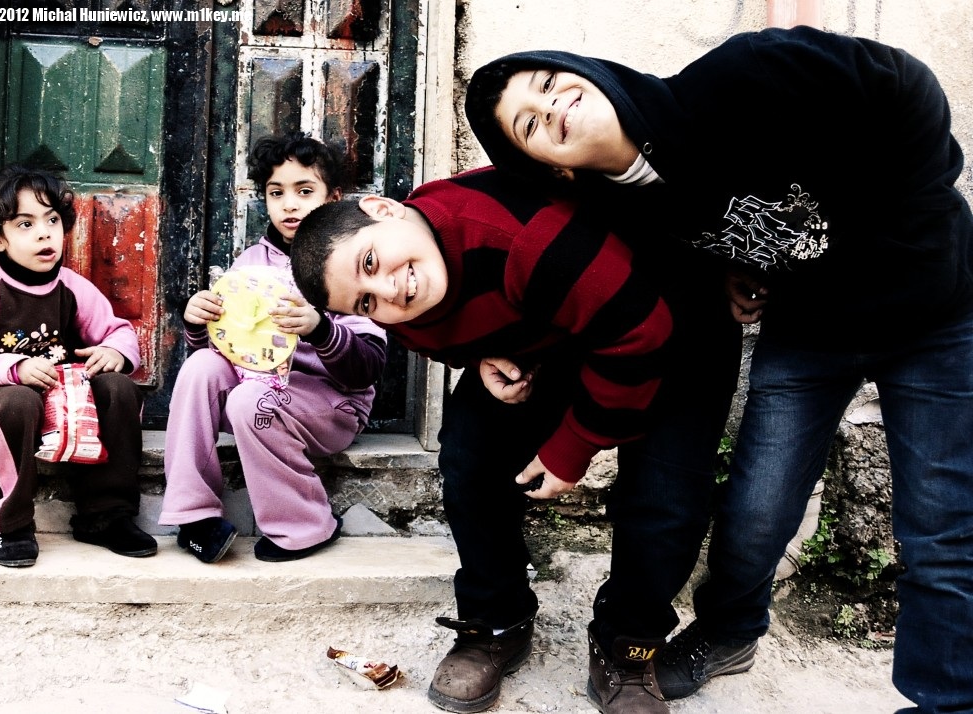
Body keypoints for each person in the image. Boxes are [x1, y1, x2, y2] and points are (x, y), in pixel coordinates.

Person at [464, 25, 973, 714]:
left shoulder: (747, 75)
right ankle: (731, 633)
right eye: (530, 121)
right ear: (549, 165)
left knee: (939, 536)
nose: (552, 106)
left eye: (551, 83)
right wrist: (739, 268)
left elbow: (908, 83)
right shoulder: (620, 207)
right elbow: (494, 237)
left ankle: (946, 704)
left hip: (938, 317)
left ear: (586, 70)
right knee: (756, 511)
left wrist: (912, 216)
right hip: (812, 332)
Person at [290, 163, 742, 714]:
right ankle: (495, 621)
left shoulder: (518, 238)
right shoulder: (402, 288)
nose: (389, 291)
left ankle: (628, 646)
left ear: (384, 209)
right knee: (471, 459)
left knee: (667, 497)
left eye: (370, 262)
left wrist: (572, 446)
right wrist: (476, 356)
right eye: (364, 303)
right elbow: (428, 330)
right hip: (557, 326)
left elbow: (640, 333)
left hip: (669, 323)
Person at [158, 132, 386, 563]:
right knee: (201, 367)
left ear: (333, 197)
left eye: (305, 191)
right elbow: (228, 352)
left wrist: (320, 329)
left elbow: (368, 367)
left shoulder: (351, 263)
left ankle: (305, 525)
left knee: (250, 398)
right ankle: (193, 517)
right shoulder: (250, 265)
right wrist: (198, 324)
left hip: (330, 406)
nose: (290, 204)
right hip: (256, 390)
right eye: (276, 193)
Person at [0, 165, 157, 568]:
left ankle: (106, 515)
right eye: (25, 224)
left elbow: (119, 333)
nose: (45, 233)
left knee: (118, 387)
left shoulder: (72, 287)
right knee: (18, 401)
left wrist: (115, 351)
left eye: (52, 220)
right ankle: (9, 523)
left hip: (68, 416)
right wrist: (14, 369)